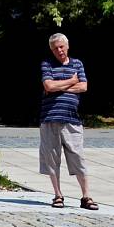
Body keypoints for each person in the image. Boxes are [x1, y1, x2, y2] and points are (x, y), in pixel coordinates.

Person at [39, 33, 98, 210]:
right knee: (51, 158)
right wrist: (72, 81)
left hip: (72, 119)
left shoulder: (77, 64)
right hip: (49, 118)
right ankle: (58, 195)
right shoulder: (47, 64)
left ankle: (86, 196)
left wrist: (60, 85)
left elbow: (84, 86)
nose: (59, 50)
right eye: (55, 48)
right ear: (52, 49)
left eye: (61, 47)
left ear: (67, 46)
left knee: (78, 157)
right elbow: (48, 86)